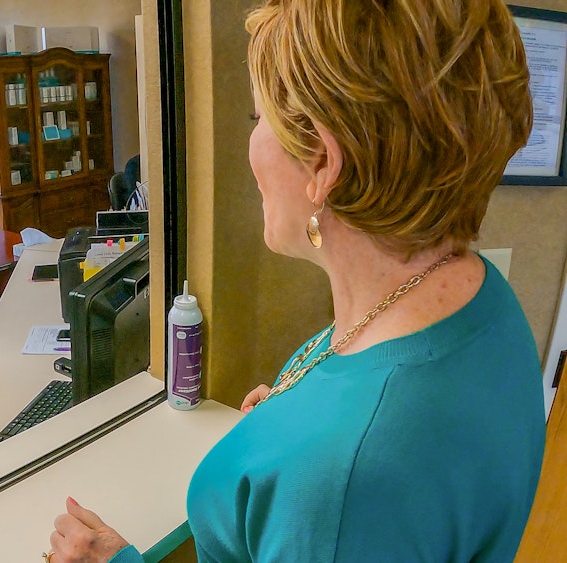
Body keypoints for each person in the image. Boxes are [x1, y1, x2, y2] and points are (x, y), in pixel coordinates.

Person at [46, 0, 545, 561]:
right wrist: (294, 420)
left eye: (259, 119)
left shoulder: (338, 483)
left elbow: (352, 483)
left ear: (323, 165)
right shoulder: (481, 300)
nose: (253, 144)